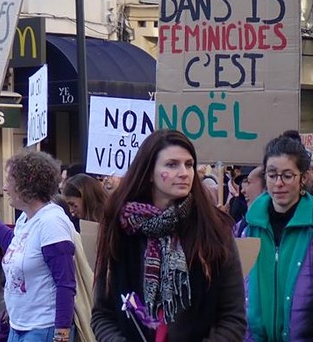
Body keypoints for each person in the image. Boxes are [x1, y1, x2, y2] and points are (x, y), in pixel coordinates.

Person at [91, 130, 246, 341]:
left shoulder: (213, 230)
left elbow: (232, 317)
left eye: (189, 164)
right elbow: (103, 315)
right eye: (172, 165)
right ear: (148, 173)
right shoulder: (119, 229)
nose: (184, 172)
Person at [0, 151, 77, 342]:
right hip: (19, 327)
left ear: (27, 185)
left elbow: (65, 283)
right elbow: (13, 243)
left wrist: (62, 335)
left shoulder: (52, 223)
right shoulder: (26, 218)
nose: (5, 187)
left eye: (9, 180)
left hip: (42, 328)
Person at [244, 135, 313, 340]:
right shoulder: (245, 229)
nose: (278, 183)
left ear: (303, 178)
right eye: (272, 175)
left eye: (287, 175)